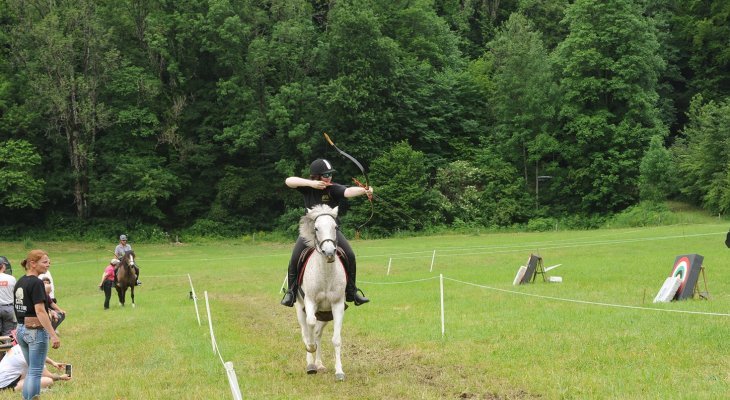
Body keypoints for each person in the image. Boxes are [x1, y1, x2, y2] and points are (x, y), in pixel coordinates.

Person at [280, 158, 371, 307]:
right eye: (325, 175)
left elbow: (347, 191)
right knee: (295, 258)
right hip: (310, 231)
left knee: (350, 255)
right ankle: (291, 292)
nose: (329, 177)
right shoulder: (307, 187)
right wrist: (311, 184)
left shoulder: (333, 188)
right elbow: (289, 180)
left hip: (330, 232)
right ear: (316, 176)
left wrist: (364, 190)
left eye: (330, 174)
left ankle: (352, 291)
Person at [13, 249, 61, 400]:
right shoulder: (37, 282)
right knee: (35, 371)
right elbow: (40, 311)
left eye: (49, 261)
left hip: (20, 330)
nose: (48, 264)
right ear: (32, 264)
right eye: (45, 262)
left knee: (32, 371)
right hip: (34, 331)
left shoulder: (20, 281)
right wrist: (53, 335)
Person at [0, 344, 70, 392]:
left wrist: (53, 362)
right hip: (6, 385)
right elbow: (48, 375)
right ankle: (14, 389)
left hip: (4, 378)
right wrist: (60, 377)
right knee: (48, 381)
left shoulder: (20, 346)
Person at [0, 259, 16, 337]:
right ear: (3, 266)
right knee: (8, 333)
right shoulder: (11, 278)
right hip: (8, 308)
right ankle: (7, 348)